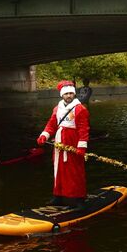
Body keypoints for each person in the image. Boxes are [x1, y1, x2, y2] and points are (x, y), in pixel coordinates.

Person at [36, 80, 90, 208]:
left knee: (75, 171)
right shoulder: (57, 108)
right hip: (59, 143)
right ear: (62, 95)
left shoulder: (80, 109)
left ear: (74, 94)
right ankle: (58, 196)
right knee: (58, 170)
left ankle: (79, 198)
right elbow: (52, 124)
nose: (69, 96)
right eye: (66, 94)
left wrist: (81, 147)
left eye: (71, 93)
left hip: (73, 143)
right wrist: (44, 135)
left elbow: (84, 129)